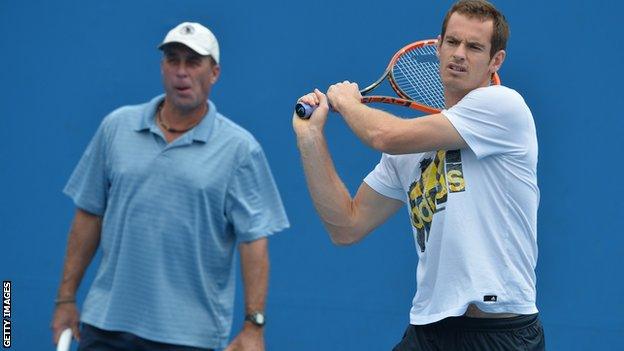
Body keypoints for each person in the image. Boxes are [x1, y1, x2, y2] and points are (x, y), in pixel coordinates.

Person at [292, 0, 545, 349]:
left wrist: (348, 103)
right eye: (452, 42)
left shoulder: (504, 106)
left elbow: (385, 137)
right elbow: (346, 226)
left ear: (495, 61)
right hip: (429, 329)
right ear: (438, 47)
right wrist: (310, 138)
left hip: (499, 332)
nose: (459, 54)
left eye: (474, 47)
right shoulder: (410, 151)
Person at [51, 22, 289, 351]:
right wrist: (65, 299)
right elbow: (88, 216)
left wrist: (254, 325)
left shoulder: (239, 149)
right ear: (162, 67)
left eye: (193, 63)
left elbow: (254, 243)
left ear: (214, 73)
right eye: (172, 60)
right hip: (105, 325)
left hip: (190, 337)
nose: (181, 72)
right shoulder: (116, 128)